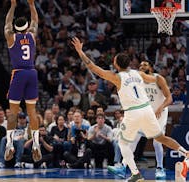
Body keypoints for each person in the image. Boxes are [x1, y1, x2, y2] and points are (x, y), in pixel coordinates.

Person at [71, 37, 189, 181]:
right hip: (147, 109)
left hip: (133, 112)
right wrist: (162, 81)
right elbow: (156, 79)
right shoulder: (137, 73)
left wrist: (80, 51)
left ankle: (134, 173)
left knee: (122, 142)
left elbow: (93, 68)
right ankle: (185, 152)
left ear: (116, 64)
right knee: (160, 138)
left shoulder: (117, 77)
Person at [4, 0, 41, 162]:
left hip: (18, 74)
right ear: (26, 26)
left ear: (15, 28)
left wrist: (12, 6)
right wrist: (32, 5)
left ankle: (10, 144)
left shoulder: (11, 37)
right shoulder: (32, 34)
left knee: (13, 112)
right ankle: (36, 144)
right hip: (32, 73)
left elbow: (7, 23)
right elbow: (35, 20)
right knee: (32, 112)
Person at [125, 60, 172, 179]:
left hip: (160, 113)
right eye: (140, 65)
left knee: (157, 141)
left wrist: (160, 108)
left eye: (145, 64)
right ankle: (125, 166)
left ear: (150, 67)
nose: (142, 66)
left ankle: (160, 168)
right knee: (134, 138)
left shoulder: (158, 78)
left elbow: (169, 98)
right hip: (146, 113)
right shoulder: (137, 81)